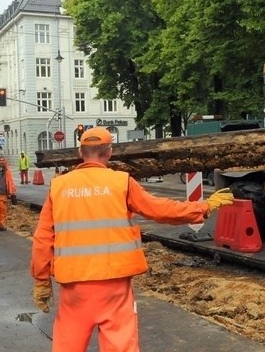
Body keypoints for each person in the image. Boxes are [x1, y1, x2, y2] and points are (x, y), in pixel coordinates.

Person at [30, 127, 234, 352]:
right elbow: (160, 210)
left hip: (74, 284)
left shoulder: (59, 186)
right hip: (114, 282)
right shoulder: (121, 182)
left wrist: (41, 281)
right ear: (109, 152)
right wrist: (203, 206)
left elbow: (43, 237)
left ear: (80, 153)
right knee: (120, 344)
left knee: (68, 346)